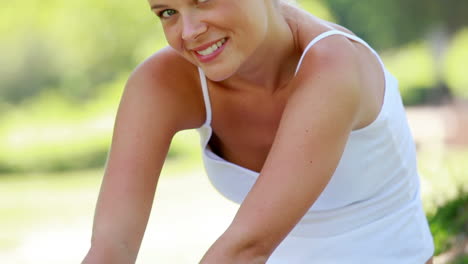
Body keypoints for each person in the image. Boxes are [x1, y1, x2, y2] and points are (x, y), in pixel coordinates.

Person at [82, 0, 435, 263]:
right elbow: (113, 246)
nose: (188, 32)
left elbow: (246, 247)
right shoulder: (160, 82)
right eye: (167, 12)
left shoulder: (335, 66)